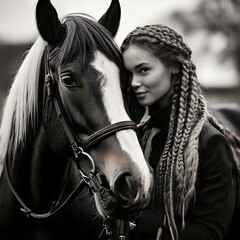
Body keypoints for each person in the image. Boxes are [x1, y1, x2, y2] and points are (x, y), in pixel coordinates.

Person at [118, 24, 240, 240]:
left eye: (144, 70)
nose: (134, 83)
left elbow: (209, 234)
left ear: (173, 67)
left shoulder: (210, 143)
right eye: (129, 74)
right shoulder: (139, 136)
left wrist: (136, 216)